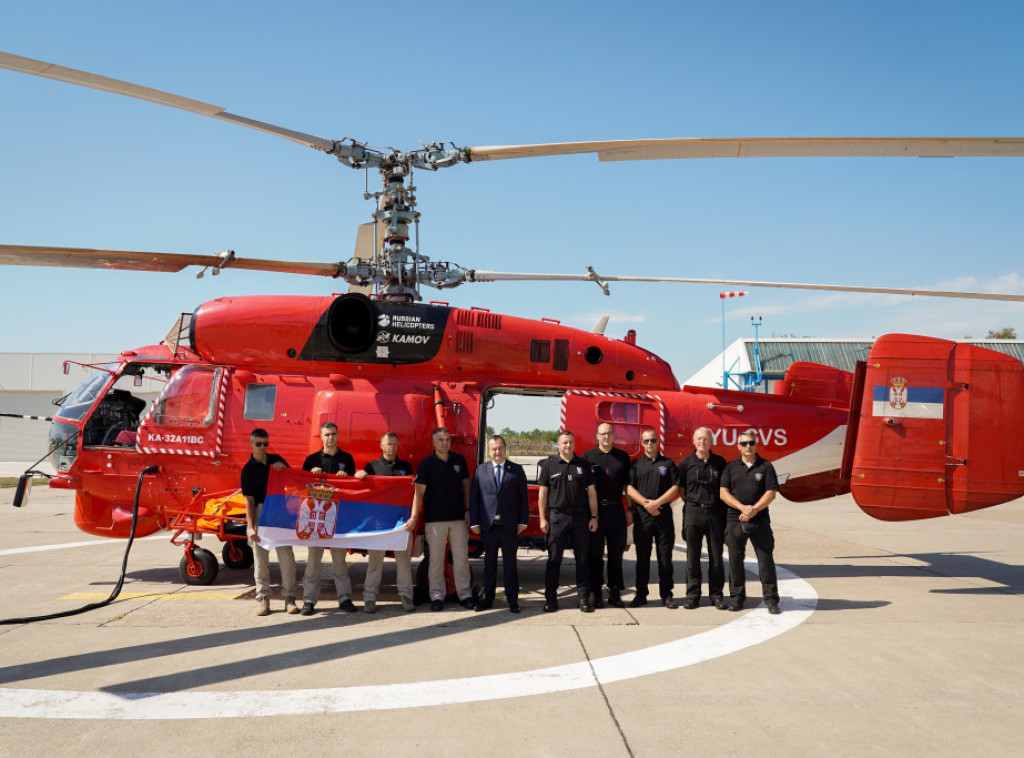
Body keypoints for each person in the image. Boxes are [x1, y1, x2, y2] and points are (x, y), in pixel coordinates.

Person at [410, 427, 475, 611]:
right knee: (436, 560)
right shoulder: (426, 464)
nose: (445, 443)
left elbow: (466, 486)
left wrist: (469, 508)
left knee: (461, 558)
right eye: (441, 439)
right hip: (435, 520)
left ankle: (465, 594)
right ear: (434, 442)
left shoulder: (459, 461)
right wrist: (415, 516)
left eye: (447, 439)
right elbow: (418, 493)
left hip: (458, 519)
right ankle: (436, 596)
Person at [719, 430, 782, 615]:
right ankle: (737, 598)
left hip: (760, 518)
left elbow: (771, 493)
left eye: (751, 443)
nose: (748, 446)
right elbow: (723, 493)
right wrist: (742, 508)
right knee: (735, 560)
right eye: (744, 443)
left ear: (756, 445)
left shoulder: (766, 466)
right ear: (738, 446)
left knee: (765, 560)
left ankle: (771, 600)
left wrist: (753, 510)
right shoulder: (730, 467)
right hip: (735, 519)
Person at [299, 422, 358, 615]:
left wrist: (346, 477)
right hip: (316, 518)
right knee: (313, 561)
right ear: (321, 437)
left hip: (337, 518)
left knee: (339, 562)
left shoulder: (347, 459)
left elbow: (352, 489)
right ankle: (309, 600)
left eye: (333, 434)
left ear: (338, 435)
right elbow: (302, 488)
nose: (330, 438)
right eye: (327, 434)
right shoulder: (312, 460)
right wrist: (311, 475)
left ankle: (344, 598)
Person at [354, 432, 416, 613]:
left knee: (404, 562)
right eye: (389, 444)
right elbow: (362, 491)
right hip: (378, 525)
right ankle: (369, 598)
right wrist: (358, 475)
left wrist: (412, 518)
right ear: (381, 446)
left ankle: (406, 596)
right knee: (375, 562)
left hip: (401, 523)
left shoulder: (406, 466)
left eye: (395, 444)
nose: (392, 447)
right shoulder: (372, 466)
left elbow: (412, 493)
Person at [538, 430, 599, 613]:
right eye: (564, 442)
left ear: (574, 444)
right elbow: (542, 494)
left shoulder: (584, 465)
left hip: (581, 517)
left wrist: (594, 516)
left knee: (582, 559)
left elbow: (592, 493)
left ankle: (582, 598)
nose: (568, 445)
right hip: (557, 517)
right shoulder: (549, 465)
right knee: (554, 559)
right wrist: (542, 518)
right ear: (558, 444)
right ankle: (551, 599)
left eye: (571, 442)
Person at [469, 434, 529, 613]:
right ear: (488, 451)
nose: (497, 451)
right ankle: (487, 599)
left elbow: (523, 499)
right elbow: (474, 499)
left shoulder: (516, 470)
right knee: (489, 564)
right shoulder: (481, 470)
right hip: (488, 526)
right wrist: (474, 522)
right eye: (493, 449)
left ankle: (513, 600)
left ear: (505, 449)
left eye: (500, 448)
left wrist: (523, 521)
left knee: (511, 564)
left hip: (509, 526)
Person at [241, 428, 297, 616]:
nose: (263, 447)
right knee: (260, 559)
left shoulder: (275, 460)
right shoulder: (247, 470)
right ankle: (263, 599)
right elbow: (248, 501)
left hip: (279, 511)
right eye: (259, 444)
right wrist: (250, 527)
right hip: (260, 511)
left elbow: (293, 478)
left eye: (266, 443)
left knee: (286, 557)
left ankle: (289, 598)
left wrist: (283, 468)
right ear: (251, 444)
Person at [626, 428, 680, 608]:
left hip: (663, 515)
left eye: (653, 440)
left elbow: (675, 488)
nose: (650, 444)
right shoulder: (635, 465)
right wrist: (646, 504)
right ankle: (641, 595)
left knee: (665, 558)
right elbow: (629, 488)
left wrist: (657, 503)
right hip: (643, 517)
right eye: (646, 441)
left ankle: (667, 595)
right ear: (641, 443)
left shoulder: (668, 463)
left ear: (658, 442)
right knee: (642, 558)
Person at [581, 423, 632, 609]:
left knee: (616, 555)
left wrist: (630, 510)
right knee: (595, 555)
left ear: (613, 435)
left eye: (609, 433)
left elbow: (628, 487)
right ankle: (596, 593)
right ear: (597, 436)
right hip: (596, 513)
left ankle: (615, 592)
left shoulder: (622, 457)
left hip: (616, 510)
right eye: (603, 434)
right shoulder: (588, 457)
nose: (606, 437)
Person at [677, 427, 728, 610]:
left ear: (711, 441)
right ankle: (693, 595)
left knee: (716, 557)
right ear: (693, 441)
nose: (702, 442)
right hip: (693, 512)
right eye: (699, 438)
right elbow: (681, 490)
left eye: (705, 439)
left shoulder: (720, 463)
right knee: (693, 556)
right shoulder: (686, 463)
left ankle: (716, 595)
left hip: (715, 513)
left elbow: (724, 488)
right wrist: (694, 504)